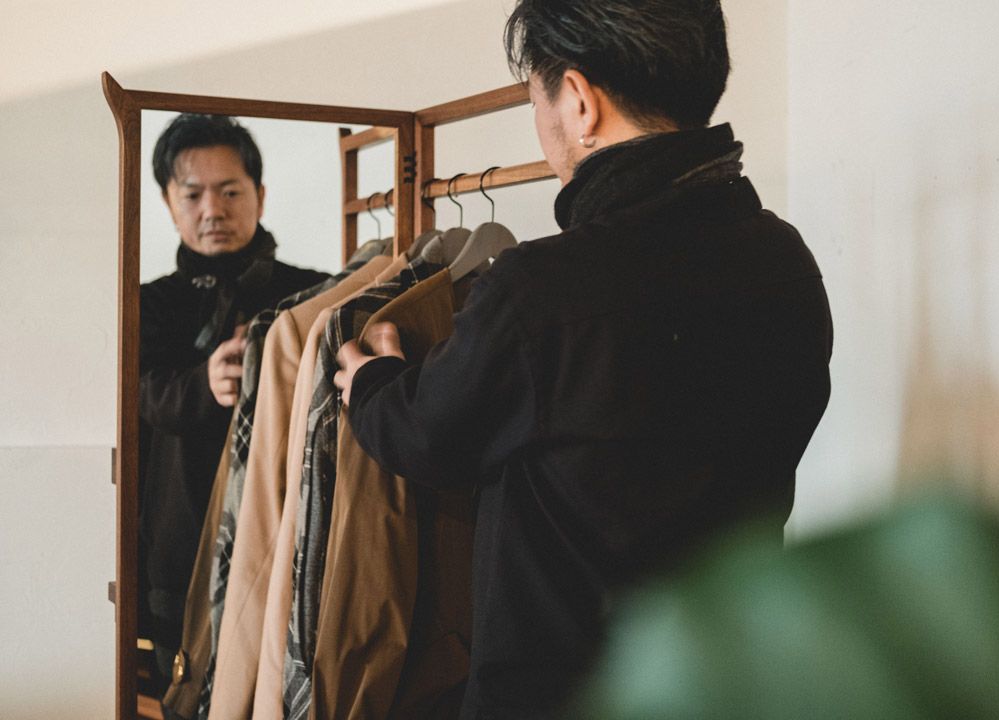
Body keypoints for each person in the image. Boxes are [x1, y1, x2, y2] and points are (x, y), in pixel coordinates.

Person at [334, 1, 833, 716]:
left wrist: (373, 382)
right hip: (730, 679)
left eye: (536, 100)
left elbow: (429, 434)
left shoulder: (541, 289)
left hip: (564, 693)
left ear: (577, 100)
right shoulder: (785, 259)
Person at [139, 113, 328, 689]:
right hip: (181, 541)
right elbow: (141, 396)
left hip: (288, 536)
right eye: (193, 194)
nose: (212, 210)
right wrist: (204, 383)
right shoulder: (145, 303)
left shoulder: (314, 292)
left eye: (230, 192)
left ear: (259, 196)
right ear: (169, 203)